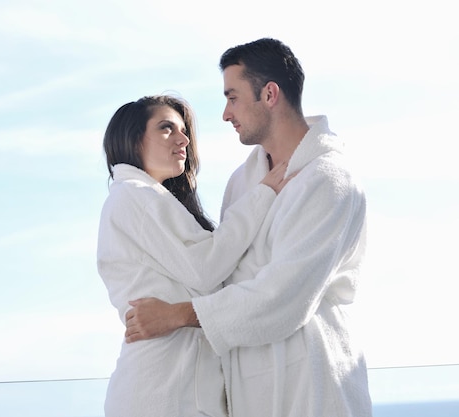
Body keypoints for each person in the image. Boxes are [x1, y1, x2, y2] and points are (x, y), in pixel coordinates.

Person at [124, 39, 373, 417]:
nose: (225, 113)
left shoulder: (329, 178)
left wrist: (175, 315)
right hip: (248, 381)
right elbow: (222, 271)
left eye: (233, 97)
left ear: (270, 94)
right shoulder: (242, 183)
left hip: (311, 377)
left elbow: (284, 297)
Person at [97, 94, 293, 417]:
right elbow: (206, 267)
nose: (183, 139)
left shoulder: (141, 199)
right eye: (166, 128)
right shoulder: (136, 197)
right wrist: (264, 193)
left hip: (172, 387)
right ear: (134, 141)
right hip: (161, 392)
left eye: (183, 130)